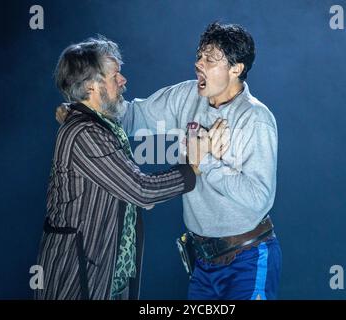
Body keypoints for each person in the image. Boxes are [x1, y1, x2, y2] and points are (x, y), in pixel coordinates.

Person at [58, 22, 281, 300]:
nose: (198, 64)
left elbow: (259, 197)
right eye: (199, 56)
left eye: (210, 59)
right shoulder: (186, 95)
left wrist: (206, 161)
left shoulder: (255, 119)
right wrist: (83, 107)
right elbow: (131, 116)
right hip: (203, 262)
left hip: (246, 259)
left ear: (236, 68)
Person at [37, 36, 229, 300]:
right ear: (92, 86)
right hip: (79, 277)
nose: (123, 80)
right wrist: (192, 165)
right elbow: (141, 190)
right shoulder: (84, 132)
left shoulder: (103, 123)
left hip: (110, 274)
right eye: (115, 75)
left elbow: (129, 187)